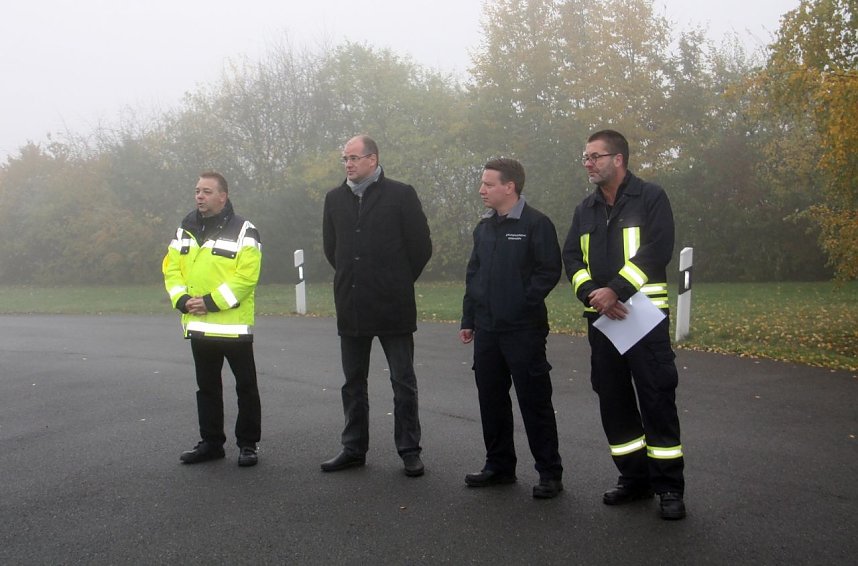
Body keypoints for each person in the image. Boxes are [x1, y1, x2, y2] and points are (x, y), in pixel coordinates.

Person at [562, 130, 686, 520]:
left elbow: (657, 249)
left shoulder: (650, 197)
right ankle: (635, 480)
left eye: (595, 156)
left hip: (644, 321)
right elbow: (571, 258)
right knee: (613, 402)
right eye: (585, 157)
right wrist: (592, 295)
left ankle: (669, 487)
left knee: (656, 399)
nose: (588, 163)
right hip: (604, 323)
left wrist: (615, 290)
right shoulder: (585, 209)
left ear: (618, 159)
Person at [321, 135, 432, 477]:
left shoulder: (401, 195)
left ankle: (409, 450)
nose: (348, 164)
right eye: (345, 159)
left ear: (373, 159)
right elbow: (332, 249)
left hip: (392, 306)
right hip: (351, 304)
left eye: (354, 158)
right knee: (352, 382)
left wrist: (396, 280)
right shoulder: (334, 199)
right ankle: (353, 448)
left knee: (403, 381)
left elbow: (420, 247)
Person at [459, 158, 564, 499]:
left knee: (534, 402)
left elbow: (548, 271)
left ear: (510, 186)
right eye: (482, 183)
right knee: (491, 400)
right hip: (487, 330)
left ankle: (549, 473)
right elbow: (474, 274)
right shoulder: (484, 226)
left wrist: (521, 303)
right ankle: (499, 466)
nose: (482, 190)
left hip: (523, 330)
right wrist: (469, 319)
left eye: (489, 184)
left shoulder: (536, 224)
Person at [163, 172, 263, 467]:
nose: (199, 197)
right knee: (206, 387)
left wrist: (208, 303)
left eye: (207, 191)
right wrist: (182, 300)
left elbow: (247, 278)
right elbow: (171, 269)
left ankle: (248, 445)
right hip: (197, 325)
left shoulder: (244, 229)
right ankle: (211, 443)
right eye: (197, 191)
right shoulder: (186, 228)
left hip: (232, 326)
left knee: (245, 387)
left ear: (223, 196)